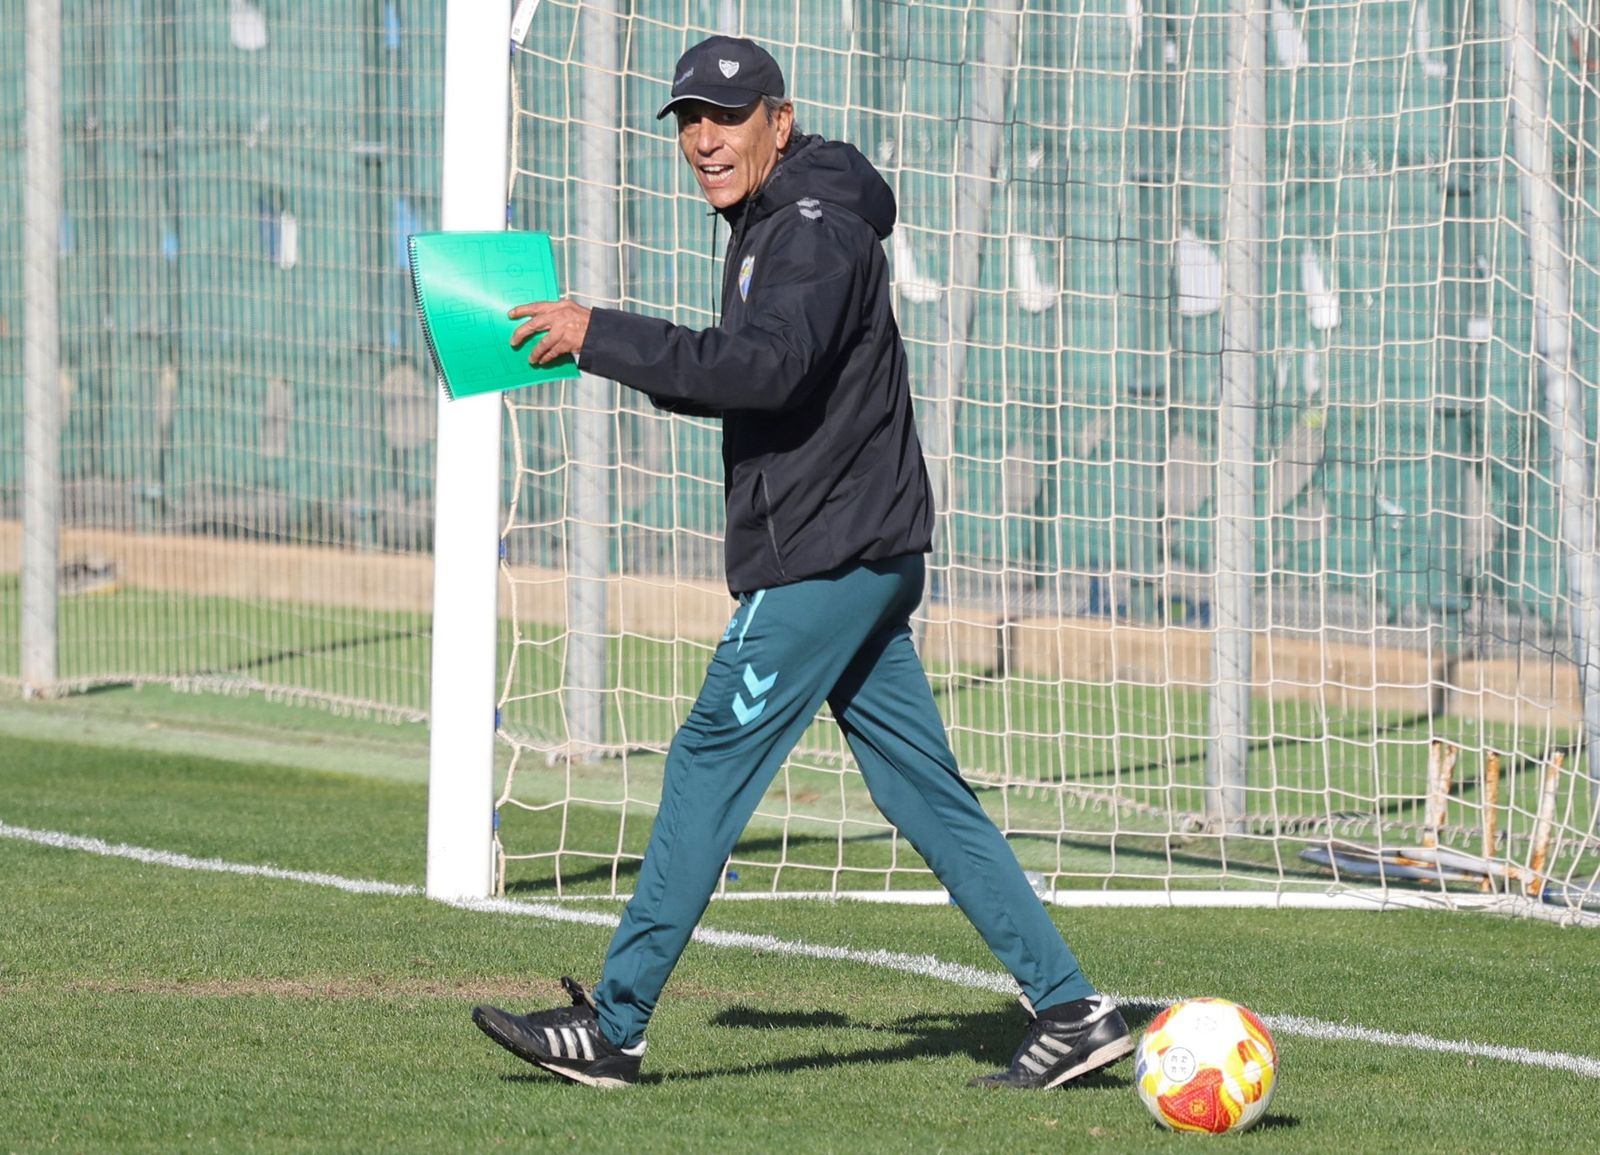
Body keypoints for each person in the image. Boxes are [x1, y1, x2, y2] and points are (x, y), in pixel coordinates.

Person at [471, 34, 1131, 1091]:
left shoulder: (811, 230)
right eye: (687, 120)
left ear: (780, 120)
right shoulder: (779, 220)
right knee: (924, 792)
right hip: (858, 548)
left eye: (725, 118)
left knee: (705, 761)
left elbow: (764, 370)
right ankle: (1071, 1008)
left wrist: (602, 333)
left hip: (826, 558)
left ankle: (619, 1025)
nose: (702, 140)